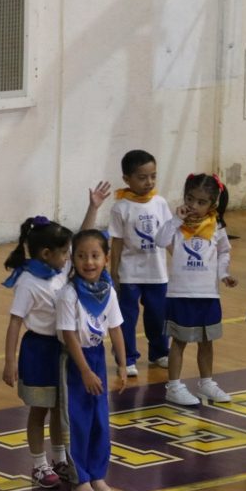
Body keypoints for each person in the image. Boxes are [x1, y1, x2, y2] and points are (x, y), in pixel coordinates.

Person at [2, 217, 74, 488]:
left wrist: (93, 207)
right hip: (38, 351)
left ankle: (59, 458)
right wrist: (10, 361)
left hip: (62, 348)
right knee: (39, 410)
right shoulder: (28, 282)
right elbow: (14, 322)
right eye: (64, 252)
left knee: (58, 408)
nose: (69, 257)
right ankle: (39, 464)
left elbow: (80, 244)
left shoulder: (59, 271)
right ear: (47, 254)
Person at [56, 229, 127, 491]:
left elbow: (116, 329)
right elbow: (70, 335)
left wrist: (121, 364)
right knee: (77, 420)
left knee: (100, 420)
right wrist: (85, 371)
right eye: (82, 256)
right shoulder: (69, 295)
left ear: (106, 259)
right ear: (73, 259)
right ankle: (79, 477)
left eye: (95, 256)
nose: (89, 262)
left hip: (97, 356)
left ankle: (97, 474)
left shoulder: (108, 291)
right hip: (75, 361)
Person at [155, 174, 236, 406]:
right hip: (181, 293)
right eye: (190, 199)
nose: (193, 206)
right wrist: (174, 221)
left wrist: (224, 274)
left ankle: (207, 382)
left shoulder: (217, 227)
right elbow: (160, 241)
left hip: (208, 293)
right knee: (179, 342)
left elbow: (224, 252)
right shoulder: (177, 224)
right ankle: (174, 386)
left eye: (201, 202)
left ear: (212, 204)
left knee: (206, 340)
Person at [108, 150, 171, 376]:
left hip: (157, 273)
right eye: (142, 177)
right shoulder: (120, 207)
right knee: (127, 318)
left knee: (158, 315)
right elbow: (116, 242)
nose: (149, 182)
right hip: (130, 273)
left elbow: (168, 235)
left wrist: (179, 263)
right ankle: (127, 358)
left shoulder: (160, 203)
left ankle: (160, 352)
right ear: (127, 179)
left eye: (153, 176)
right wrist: (113, 272)